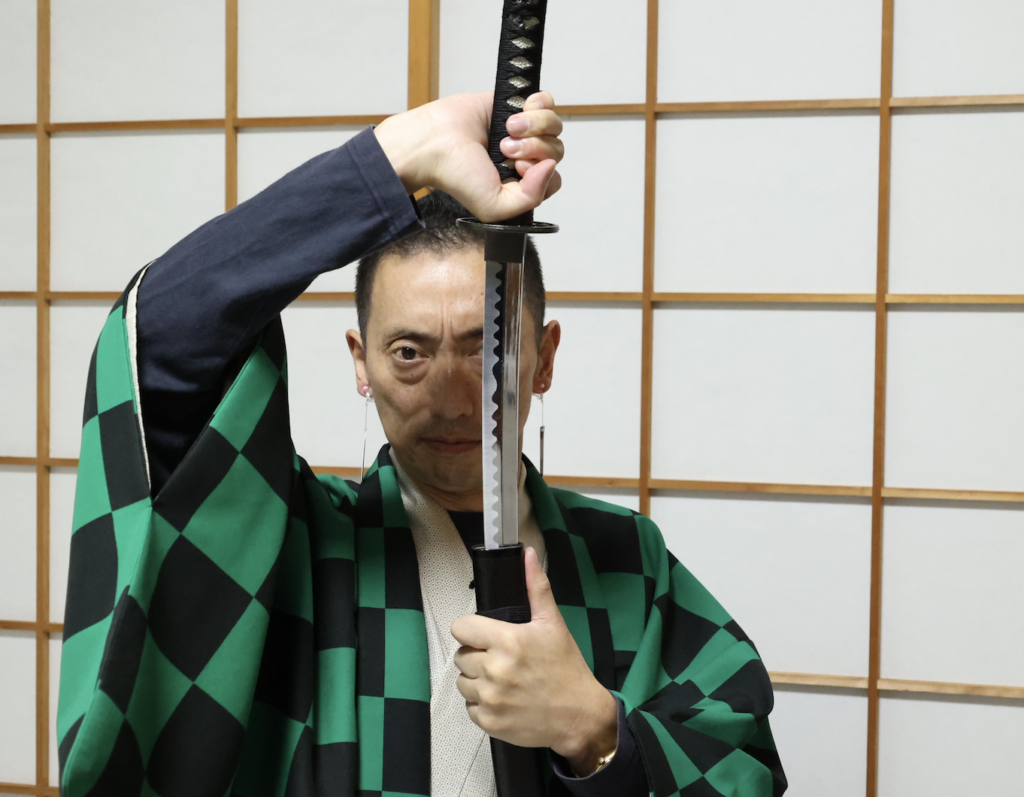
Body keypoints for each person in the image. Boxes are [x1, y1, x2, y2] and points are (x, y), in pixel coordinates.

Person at [56, 92, 787, 797]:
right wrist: (396, 157)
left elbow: (741, 763)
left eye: (486, 350)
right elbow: (158, 340)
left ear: (544, 358)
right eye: (409, 353)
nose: (450, 397)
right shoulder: (295, 543)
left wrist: (594, 729)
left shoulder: (625, 557)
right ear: (360, 362)